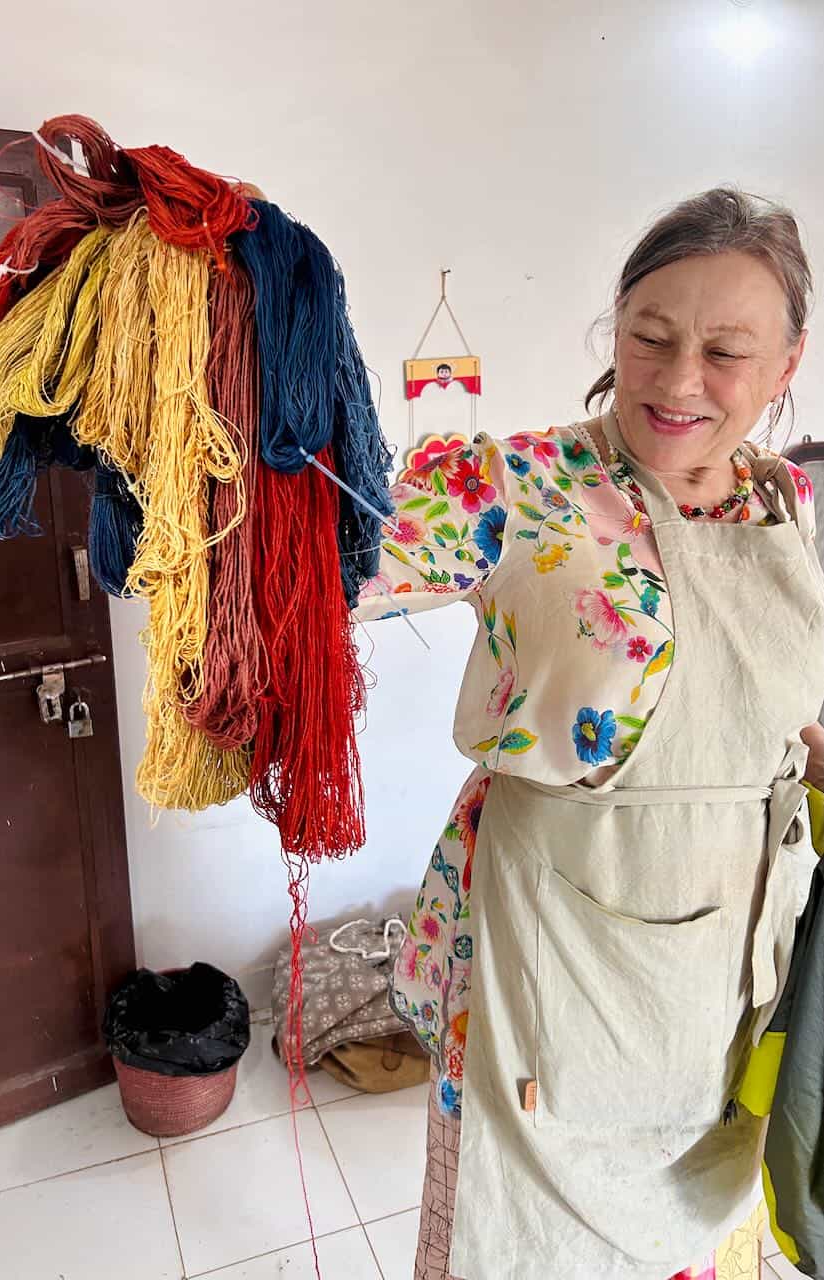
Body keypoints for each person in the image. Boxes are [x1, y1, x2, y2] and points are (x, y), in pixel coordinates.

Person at [353, 187, 824, 1280]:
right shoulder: (513, 485)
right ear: (613, 327)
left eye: (726, 351)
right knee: (523, 1242)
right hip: (553, 959)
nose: (677, 381)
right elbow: (321, 570)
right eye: (649, 337)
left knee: (696, 1235)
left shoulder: (786, 506)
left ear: (789, 360)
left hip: (728, 971)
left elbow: (792, 706)